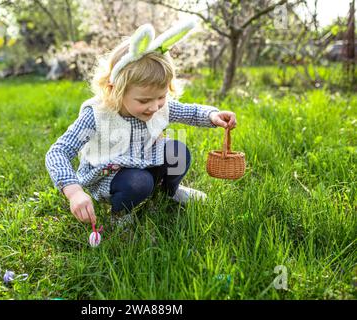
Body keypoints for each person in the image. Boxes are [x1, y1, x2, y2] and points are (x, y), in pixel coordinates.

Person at [45, 21, 236, 226]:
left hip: (146, 161)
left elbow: (190, 111)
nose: (154, 107)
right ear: (115, 90)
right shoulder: (98, 115)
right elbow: (58, 151)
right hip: (112, 176)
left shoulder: (159, 106)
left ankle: (169, 192)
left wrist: (212, 115)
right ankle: (120, 215)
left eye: (161, 97)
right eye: (144, 101)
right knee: (139, 183)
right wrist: (73, 191)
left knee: (178, 152)